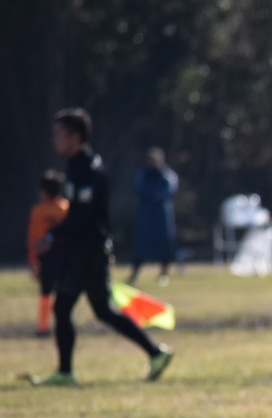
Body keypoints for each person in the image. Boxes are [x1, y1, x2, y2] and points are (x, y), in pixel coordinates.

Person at [30, 108, 173, 387]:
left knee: (101, 309)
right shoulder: (75, 167)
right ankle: (65, 372)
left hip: (90, 251)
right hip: (77, 249)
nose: (55, 140)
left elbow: (83, 216)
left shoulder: (90, 171)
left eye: (59, 134)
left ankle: (156, 352)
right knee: (66, 307)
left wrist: (52, 235)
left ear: (75, 137)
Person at [26, 170, 69, 337]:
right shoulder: (66, 208)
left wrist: (32, 259)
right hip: (63, 255)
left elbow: (33, 238)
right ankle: (62, 324)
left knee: (45, 291)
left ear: (44, 191)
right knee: (63, 292)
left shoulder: (38, 211)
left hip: (46, 256)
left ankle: (43, 327)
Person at [129, 147, 179, 286]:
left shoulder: (167, 175)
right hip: (146, 215)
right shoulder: (143, 174)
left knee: (164, 245)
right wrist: (153, 194)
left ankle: (164, 273)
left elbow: (169, 191)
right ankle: (134, 274)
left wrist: (152, 195)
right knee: (142, 245)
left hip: (162, 215)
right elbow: (139, 189)